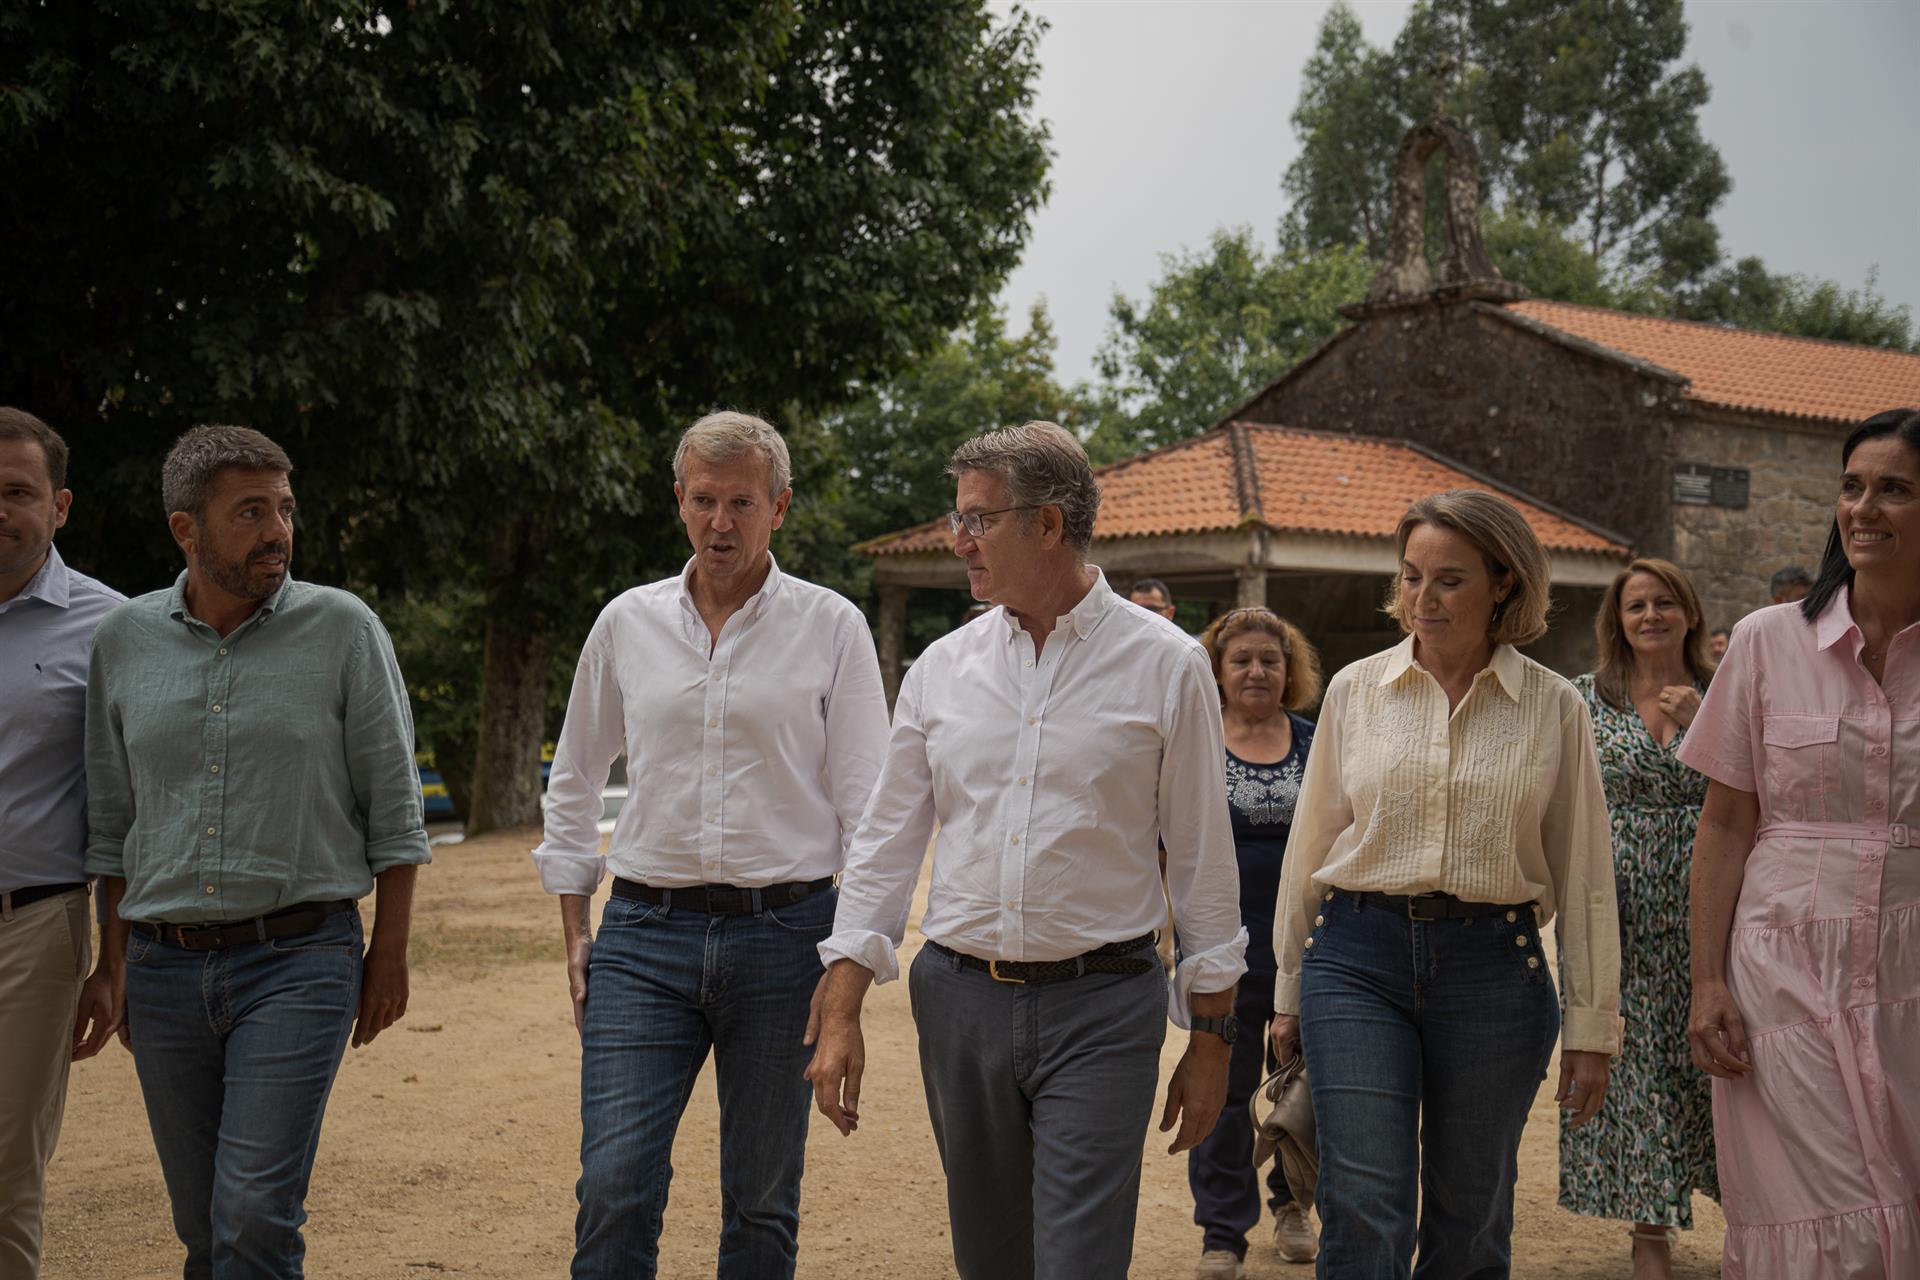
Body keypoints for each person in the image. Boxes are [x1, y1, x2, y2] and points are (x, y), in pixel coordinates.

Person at [806, 421, 1248, 1280]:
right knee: (991, 1259)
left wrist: (1213, 1039)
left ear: (1047, 524)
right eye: (958, 517)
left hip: (1104, 1004)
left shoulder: (1168, 665)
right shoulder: (940, 668)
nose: (958, 539)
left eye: (978, 519)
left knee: (1079, 1262)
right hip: (959, 1002)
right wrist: (843, 1004)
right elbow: (887, 844)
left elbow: (1202, 862)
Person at [535, 412, 888, 1279]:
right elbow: (575, 777)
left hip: (786, 940)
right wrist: (576, 929)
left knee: (762, 1202)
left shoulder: (832, 626)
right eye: (703, 500)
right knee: (614, 1186)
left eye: (742, 502)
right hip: (643, 939)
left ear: (780, 507)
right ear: (679, 499)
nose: (719, 522)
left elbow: (871, 814)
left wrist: (846, 973)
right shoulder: (626, 623)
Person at [86, 425, 429, 1279]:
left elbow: (395, 810)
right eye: (250, 512)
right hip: (162, 972)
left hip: (300, 961)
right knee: (203, 1228)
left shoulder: (344, 629)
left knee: (252, 1215)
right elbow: (114, 824)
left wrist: (388, 954)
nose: (277, 530)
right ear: (186, 529)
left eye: (284, 508)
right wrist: (113, 963)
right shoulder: (123, 640)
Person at [1270, 488, 1624, 1277]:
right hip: (1356, 961)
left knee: (1471, 1216)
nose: (1422, 598)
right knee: (1364, 1203)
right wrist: (1288, 989)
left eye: (1449, 580)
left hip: (1496, 971)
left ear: (1504, 583)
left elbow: (1586, 874)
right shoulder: (1356, 690)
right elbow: (1310, 847)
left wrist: (1592, 1026)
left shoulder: (1555, 706)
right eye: (1410, 576)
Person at [1682, 407, 1920, 1279]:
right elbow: (1725, 821)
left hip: (1910, 971)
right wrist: (1707, 981)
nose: (1864, 508)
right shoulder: (1765, 640)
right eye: (1851, 487)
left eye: (1894, 490)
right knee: (1825, 1214)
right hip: (1781, 966)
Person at [1559, 558, 1719, 1279]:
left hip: (1710, 903)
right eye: (1636, 606)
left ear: (1689, 613)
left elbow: (1762, 786)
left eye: (1664, 603)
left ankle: (1748, 1212)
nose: (1651, 615)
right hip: (1612, 904)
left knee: (1709, 1057)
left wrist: (1704, 723)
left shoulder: (1725, 692)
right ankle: (1649, 1227)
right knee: (1631, 1061)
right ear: (1617, 622)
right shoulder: (1585, 698)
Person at [0, 409, 125, 1278]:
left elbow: (125, 808)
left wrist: (113, 961)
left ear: (61, 506)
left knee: (8, 1169)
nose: (0, 509)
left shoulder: (113, 630)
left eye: (18, 492)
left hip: (33, 931)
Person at [1188, 607, 1322, 1278]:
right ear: (1217, 671)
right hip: (1224, 953)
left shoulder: (1317, 743)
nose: (1256, 671)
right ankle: (1222, 1233)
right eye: (1240, 660)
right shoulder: (1196, 744)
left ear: (1289, 670)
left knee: (1303, 1092)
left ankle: (1293, 1205)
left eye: (1270, 660)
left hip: (1309, 950)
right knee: (1222, 1093)